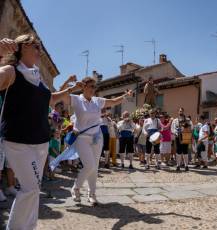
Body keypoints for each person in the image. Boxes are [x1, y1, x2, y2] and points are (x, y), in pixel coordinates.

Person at [0, 35, 82, 229]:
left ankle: (28, 226)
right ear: (19, 48)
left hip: (40, 141)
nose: (39, 50)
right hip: (18, 140)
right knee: (29, 188)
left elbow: (50, 99)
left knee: (34, 189)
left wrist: (71, 89)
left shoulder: (37, 76)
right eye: (34, 46)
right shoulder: (11, 71)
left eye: (39, 46)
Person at [59, 77, 132, 206]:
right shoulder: (76, 99)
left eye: (95, 87)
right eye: (91, 86)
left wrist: (125, 96)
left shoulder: (97, 101)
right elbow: (60, 94)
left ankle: (92, 194)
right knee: (89, 166)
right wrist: (69, 83)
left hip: (97, 138)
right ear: (84, 86)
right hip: (82, 138)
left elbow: (114, 101)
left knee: (95, 167)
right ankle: (76, 188)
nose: (94, 89)